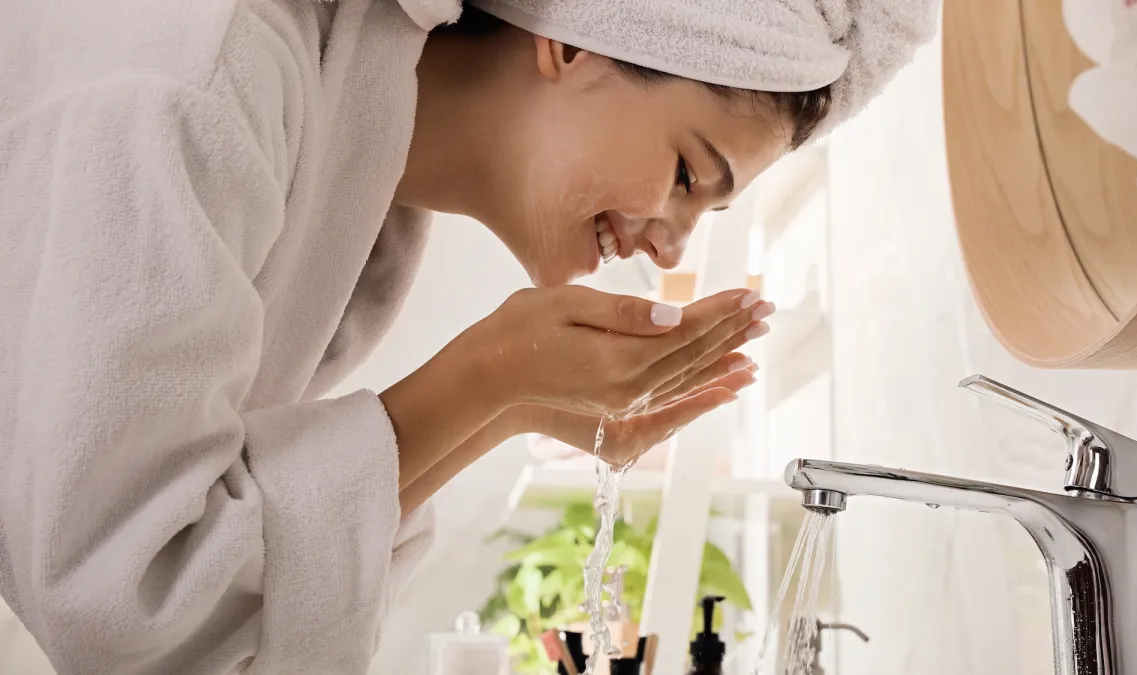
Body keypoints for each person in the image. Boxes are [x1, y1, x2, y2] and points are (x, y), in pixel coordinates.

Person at [0, 0, 937, 673]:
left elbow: (197, 602)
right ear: (576, 41)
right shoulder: (204, 73)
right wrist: (488, 380)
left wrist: (509, 403)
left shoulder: (366, 216)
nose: (671, 244)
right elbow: (116, 586)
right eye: (690, 173)